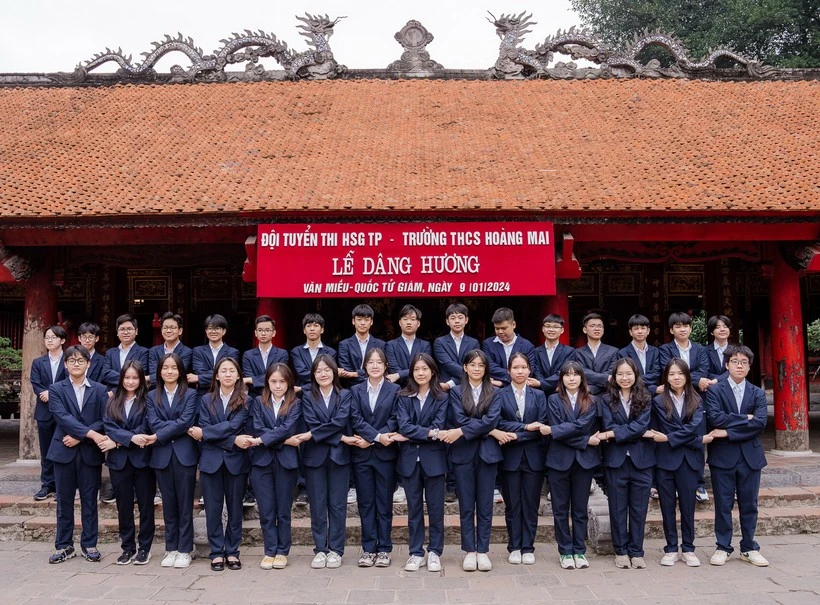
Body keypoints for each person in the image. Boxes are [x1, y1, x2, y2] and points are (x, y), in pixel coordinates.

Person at [705, 344, 769, 567]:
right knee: (723, 504)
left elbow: (760, 423)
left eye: (743, 362)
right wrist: (746, 419)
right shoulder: (715, 390)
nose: (739, 365)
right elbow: (715, 418)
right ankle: (723, 546)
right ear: (726, 365)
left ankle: (749, 547)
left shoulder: (758, 393)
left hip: (750, 458)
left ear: (749, 367)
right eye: (735, 361)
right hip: (722, 457)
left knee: (749, 504)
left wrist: (728, 432)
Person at [46, 345, 109, 564]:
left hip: (89, 454)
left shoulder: (100, 390)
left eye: (80, 360)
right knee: (64, 501)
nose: (76, 364)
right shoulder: (56, 389)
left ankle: (89, 544)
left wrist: (81, 437)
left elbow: (105, 420)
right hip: (63, 451)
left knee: (90, 501)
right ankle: (64, 546)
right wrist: (90, 433)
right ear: (65, 364)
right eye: (71, 360)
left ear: (88, 364)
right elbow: (62, 417)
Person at [189, 357, 253, 571]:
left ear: (238, 375)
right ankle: (216, 552)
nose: (227, 374)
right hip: (211, 461)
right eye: (223, 370)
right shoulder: (206, 400)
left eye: (231, 370)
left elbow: (236, 425)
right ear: (216, 375)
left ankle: (233, 551)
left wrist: (206, 434)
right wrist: (231, 438)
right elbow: (215, 429)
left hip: (236, 461)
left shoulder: (246, 399)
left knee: (235, 509)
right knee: (213, 509)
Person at [293, 354, 356, 569]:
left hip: (339, 457)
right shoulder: (307, 396)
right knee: (318, 505)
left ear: (334, 372)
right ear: (313, 374)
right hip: (314, 457)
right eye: (318, 370)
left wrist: (314, 435)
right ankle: (320, 549)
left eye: (327, 370)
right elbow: (311, 421)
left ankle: (336, 550)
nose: (323, 374)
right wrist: (338, 437)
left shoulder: (345, 395)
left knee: (338, 505)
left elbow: (340, 421)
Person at [442, 349, 502, 572]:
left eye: (481, 365)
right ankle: (470, 550)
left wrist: (461, 431)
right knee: (466, 504)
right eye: (472, 365)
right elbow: (459, 418)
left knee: (485, 504)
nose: (477, 368)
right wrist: (478, 427)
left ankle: (484, 550)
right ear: (465, 368)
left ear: (485, 369)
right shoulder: (456, 392)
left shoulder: (495, 392)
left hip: (487, 454)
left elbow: (491, 421)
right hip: (463, 454)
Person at [539, 360, 601, 570]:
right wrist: (583, 440)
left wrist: (558, 431)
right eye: (567, 375)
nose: (572, 378)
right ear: (562, 378)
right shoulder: (554, 399)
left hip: (583, 462)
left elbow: (582, 426)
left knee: (580, 509)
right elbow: (558, 430)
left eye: (575, 374)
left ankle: (579, 550)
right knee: (560, 509)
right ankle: (565, 551)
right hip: (559, 461)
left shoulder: (592, 400)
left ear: (582, 378)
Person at [651, 359, 711, 568]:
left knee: (688, 506)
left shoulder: (697, 400)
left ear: (687, 376)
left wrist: (669, 438)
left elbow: (695, 428)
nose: (676, 377)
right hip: (665, 461)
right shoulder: (658, 402)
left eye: (680, 373)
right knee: (667, 507)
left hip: (688, 460)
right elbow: (666, 426)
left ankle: (688, 548)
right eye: (671, 374)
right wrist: (689, 437)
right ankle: (670, 548)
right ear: (666, 378)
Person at [597, 358, 655, 569]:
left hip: (642, 460)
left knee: (639, 509)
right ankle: (620, 551)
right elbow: (607, 423)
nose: (624, 378)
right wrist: (629, 432)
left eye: (628, 373)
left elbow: (641, 425)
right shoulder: (605, 399)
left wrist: (613, 434)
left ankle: (637, 551)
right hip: (615, 460)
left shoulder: (646, 398)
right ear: (614, 376)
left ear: (636, 375)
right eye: (620, 374)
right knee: (617, 508)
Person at [349, 347, 402, 568]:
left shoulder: (396, 390)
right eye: (370, 362)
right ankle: (368, 548)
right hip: (362, 456)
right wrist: (377, 437)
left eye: (379, 362)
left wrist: (375, 439)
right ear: (365, 366)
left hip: (385, 455)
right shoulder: (355, 390)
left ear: (385, 365)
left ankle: (384, 549)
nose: (375, 365)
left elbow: (395, 419)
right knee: (366, 503)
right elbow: (355, 418)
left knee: (384, 503)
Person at [100, 360, 156, 565]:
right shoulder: (112, 401)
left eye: (135, 378)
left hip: (143, 461)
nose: (131, 381)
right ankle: (127, 547)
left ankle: (145, 547)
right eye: (127, 377)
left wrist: (118, 442)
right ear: (121, 379)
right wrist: (130, 439)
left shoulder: (149, 400)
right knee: (123, 506)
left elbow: (146, 427)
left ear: (141, 380)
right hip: (119, 462)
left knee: (145, 505)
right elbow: (109, 427)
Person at [396, 353, 448, 572]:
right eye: (416, 369)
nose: (420, 373)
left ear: (433, 371)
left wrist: (423, 433)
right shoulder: (403, 396)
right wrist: (430, 433)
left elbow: (440, 425)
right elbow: (404, 426)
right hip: (410, 460)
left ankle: (435, 551)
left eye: (425, 369)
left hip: (434, 460)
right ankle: (416, 552)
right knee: (414, 509)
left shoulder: (442, 398)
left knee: (436, 508)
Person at [248, 363, 302, 570]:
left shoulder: (296, 404)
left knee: (283, 510)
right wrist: (282, 439)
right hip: (262, 463)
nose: (278, 386)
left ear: (288, 383)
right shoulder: (257, 402)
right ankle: (269, 550)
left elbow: (290, 428)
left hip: (286, 463)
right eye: (273, 381)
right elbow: (258, 428)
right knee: (266, 510)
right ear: (267, 382)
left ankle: (282, 551)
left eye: (282, 381)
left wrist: (264, 439)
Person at [147, 352, 198, 569]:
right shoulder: (151, 396)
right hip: (162, 455)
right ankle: (171, 548)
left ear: (181, 371)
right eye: (165, 367)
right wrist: (169, 430)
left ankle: (185, 549)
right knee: (168, 504)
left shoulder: (190, 394)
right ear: (159, 371)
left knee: (185, 503)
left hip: (184, 454)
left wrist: (161, 434)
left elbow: (186, 421)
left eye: (174, 368)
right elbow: (152, 423)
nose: (169, 371)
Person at [496, 352, 547, 565]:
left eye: (523, 367)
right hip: (510, 458)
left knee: (531, 504)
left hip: (534, 457)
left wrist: (516, 435)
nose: (519, 371)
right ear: (509, 371)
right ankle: (514, 546)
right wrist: (524, 428)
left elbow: (542, 425)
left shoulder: (539, 395)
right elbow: (498, 423)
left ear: (529, 370)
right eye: (515, 367)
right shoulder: (500, 394)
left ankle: (528, 546)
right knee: (512, 504)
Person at [658, 311, 711, 502]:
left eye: (686, 325)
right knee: (674, 433)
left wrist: (691, 378)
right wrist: (695, 378)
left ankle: (699, 484)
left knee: (697, 438)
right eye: (678, 326)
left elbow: (703, 369)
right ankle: (676, 482)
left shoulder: (700, 350)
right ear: (672, 330)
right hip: (672, 398)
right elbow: (668, 370)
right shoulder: (665, 350)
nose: (683, 329)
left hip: (695, 398)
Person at [30, 325, 67, 501]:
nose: (50, 340)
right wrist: (44, 393)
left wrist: (52, 393)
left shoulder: (69, 360)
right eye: (47, 337)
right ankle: (47, 485)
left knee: (63, 448)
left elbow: (70, 381)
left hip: (64, 410)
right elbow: (36, 383)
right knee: (46, 450)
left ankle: (63, 486)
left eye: (53, 337)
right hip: (44, 411)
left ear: (63, 340)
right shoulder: (38, 362)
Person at [481, 307, 535, 388]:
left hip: (518, 388)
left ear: (513, 325)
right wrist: (514, 375)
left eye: (504, 328)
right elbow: (489, 367)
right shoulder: (487, 344)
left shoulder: (527, 346)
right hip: (494, 389)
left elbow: (529, 371)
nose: (500, 332)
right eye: (497, 328)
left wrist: (502, 382)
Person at [433, 302, 480, 390]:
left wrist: (451, 383)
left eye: (460, 317)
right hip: (444, 388)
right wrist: (471, 373)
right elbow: (448, 364)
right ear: (447, 321)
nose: (457, 321)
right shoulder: (439, 342)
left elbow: (472, 365)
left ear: (466, 320)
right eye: (453, 318)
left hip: (468, 387)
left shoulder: (474, 343)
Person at [189, 314, 240, 396]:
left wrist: (198, 378)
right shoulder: (198, 351)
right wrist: (220, 373)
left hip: (225, 394)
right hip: (202, 395)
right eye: (210, 328)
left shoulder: (232, 352)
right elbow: (200, 371)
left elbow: (229, 375)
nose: (213, 331)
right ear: (206, 331)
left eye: (217, 328)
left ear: (224, 331)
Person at [338, 304, 386, 388]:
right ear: (353, 321)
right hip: (351, 388)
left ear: (371, 322)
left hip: (375, 386)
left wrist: (354, 374)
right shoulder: (344, 344)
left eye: (366, 320)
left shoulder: (381, 344)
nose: (362, 323)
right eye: (359, 320)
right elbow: (346, 371)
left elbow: (382, 368)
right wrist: (366, 375)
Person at [572, 313, 618, 397]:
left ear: (603, 330)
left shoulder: (613, 351)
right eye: (592, 326)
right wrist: (605, 378)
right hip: (585, 396)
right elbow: (582, 373)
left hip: (608, 395)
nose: (597, 329)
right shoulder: (577, 352)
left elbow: (613, 373)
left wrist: (592, 388)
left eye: (600, 326)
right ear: (585, 330)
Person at [242, 315, 289, 398]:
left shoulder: (282, 354)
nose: (263, 333)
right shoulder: (248, 355)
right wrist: (251, 380)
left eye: (267, 330)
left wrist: (252, 380)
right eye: (260, 330)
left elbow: (279, 376)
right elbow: (249, 380)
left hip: (276, 396)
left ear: (274, 333)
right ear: (256, 333)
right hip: (254, 398)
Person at [528, 314, 574, 398]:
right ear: (543, 329)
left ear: (562, 330)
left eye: (556, 327)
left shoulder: (569, 351)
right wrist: (549, 387)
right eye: (548, 326)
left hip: (561, 395)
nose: (551, 329)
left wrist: (541, 384)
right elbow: (536, 372)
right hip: (540, 395)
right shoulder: (535, 351)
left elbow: (562, 372)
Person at [385, 304, 432, 386]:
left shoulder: (425, 345)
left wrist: (399, 375)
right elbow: (393, 370)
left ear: (418, 323)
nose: (409, 322)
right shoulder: (390, 345)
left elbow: (425, 368)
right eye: (405, 319)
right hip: (399, 389)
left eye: (412, 319)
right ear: (400, 323)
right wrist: (414, 371)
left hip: (420, 387)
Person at [616, 314, 662, 396]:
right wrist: (652, 389)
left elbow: (656, 374)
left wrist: (635, 378)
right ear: (630, 332)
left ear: (648, 331)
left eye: (643, 328)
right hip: (633, 394)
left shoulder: (655, 351)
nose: (640, 331)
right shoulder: (622, 353)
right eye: (636, 328)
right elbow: (626, 378)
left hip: (654, 397)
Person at [101, 314, 149, 390]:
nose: (125, 332)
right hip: (113, 398)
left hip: (135, 395)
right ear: (117, 332)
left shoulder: (143, 352)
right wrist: (128, 378)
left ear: (136, 331)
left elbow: (139, 375)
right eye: (122, 329)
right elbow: (105, 373)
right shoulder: (110, 353)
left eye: (129, 329)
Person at [290, 313, 337, 389]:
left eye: (316, 326)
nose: (312, 329)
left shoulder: (331, 352)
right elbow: (302, 374)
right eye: (308, 326)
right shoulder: (296, 352)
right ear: (304, 330)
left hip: (323, 390)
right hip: (303, 394)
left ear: (322, 330)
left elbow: (330, 375)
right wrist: (321, 376)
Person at [148, 312, 193, 382]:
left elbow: (179, 375)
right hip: (157, 391)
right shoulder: (153, 351)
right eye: (165, 328)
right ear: (161, 330)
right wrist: (151, 378)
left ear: (180, 331)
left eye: (172, 327)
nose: (168, 331)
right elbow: (154, 377)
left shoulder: (187, 352)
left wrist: (149, 378)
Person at [705, 315, 732, 383]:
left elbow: (735, 371)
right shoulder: (704, 351)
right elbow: (704, 371)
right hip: (711, 388)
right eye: (718, 327)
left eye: (725, 326)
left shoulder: (735, 350)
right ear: (711, 332)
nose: (722, 329)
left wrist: (717, 380)